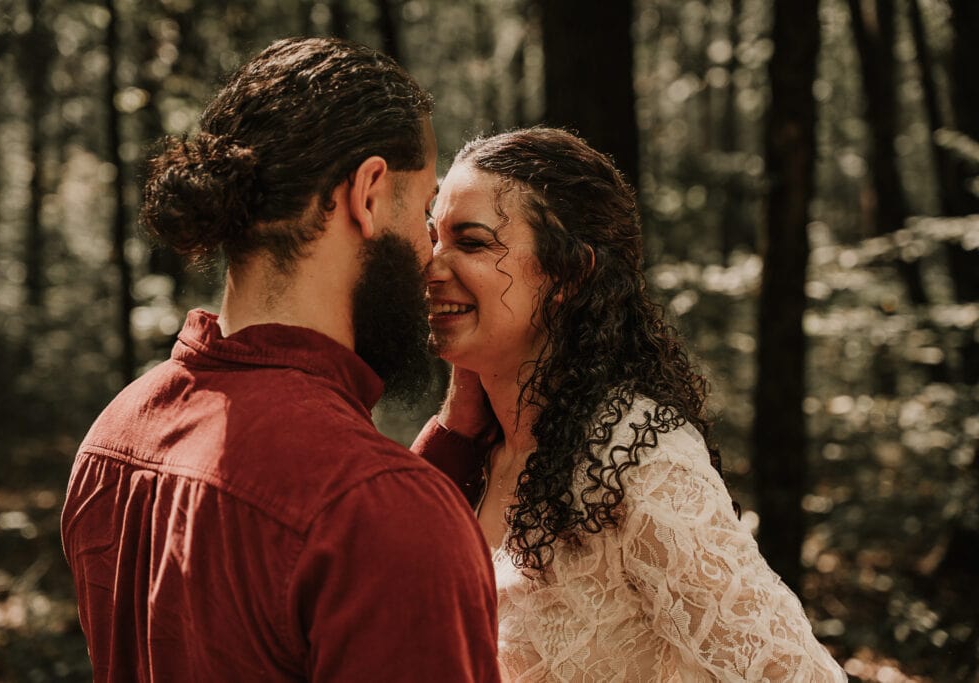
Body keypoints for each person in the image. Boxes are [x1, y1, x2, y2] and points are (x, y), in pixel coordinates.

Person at [60, 38, 500, 682]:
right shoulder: (379, 512)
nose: (430, 251)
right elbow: (349, 519)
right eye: (426, 208)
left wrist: (453, 441)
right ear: (369, 194)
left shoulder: (115, 435)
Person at [413, 127, 847, 682]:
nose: (432, 265)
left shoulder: (636, 456)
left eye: (470, 242)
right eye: (433, 239)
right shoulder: (486, 447)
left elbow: (795, 674)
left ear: (569, 273)